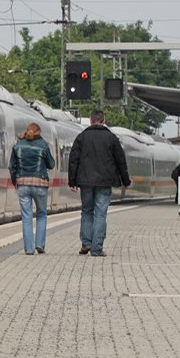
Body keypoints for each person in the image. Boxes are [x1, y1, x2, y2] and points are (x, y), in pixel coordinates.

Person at [68, 109, 130, 257]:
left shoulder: (81, 137)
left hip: (85, 181)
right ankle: (96, 249)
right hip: (105, 182)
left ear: (90, 121)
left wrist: (72, 181)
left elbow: (73, 160)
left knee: (87, 211)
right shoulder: (112, 138)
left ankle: (86, 243)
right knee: (100, 214)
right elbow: (120, 161)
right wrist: (125, 181)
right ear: (103, 120)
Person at [8, 122, 55, 255]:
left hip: (23, 185)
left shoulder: (18, 145)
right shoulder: (43, 145)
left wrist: (15, 182)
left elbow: (12, 167)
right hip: (40, 185)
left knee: (26, 217)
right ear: (38, 133)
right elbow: (51, 164)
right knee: (41, 214)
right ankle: (39, 244)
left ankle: (29, 249)